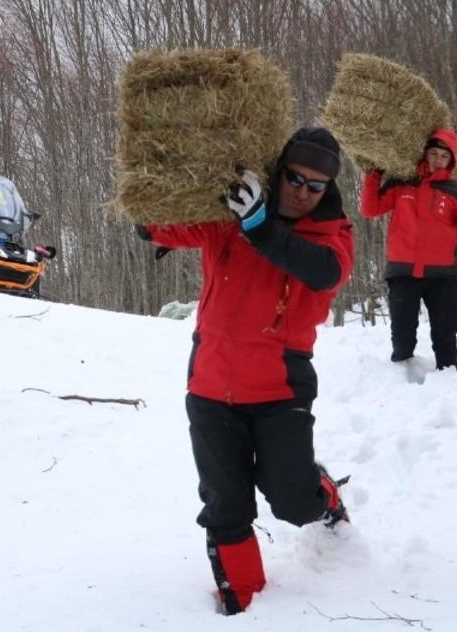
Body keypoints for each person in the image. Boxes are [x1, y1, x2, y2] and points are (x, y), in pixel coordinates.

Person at [136, 127, 354, 616]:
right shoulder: (230, 219)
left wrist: (260, 225)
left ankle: (324, 496)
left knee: (293, 504)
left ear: (328, 191)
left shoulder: (332, 237)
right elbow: (163, 224)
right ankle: (244, 601)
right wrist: (148, 200)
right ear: (278, 174)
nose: (302, 192)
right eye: (294, 179)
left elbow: (322, 272)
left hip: (280, 390)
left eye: (315, 186)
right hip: (211, 388)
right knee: (225, 504)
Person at [360, 129, 457, 371]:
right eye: (433, 153)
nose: (437, 160)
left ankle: (449, 391)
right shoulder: (403, 183)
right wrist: (374, 174)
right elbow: (370, 209)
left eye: (443, 156)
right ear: (425, 154)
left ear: (451, 161)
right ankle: (401, 386)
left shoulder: (456, 192)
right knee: (402, 341)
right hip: (403, 273)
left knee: (445, 342)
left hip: (443, 277)